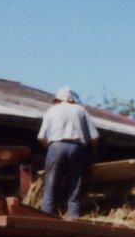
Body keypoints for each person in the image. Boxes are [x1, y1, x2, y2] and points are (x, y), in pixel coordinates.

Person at [37, 86, 100, 219]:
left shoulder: (51, 111)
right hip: (76, 148)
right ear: (72, 99)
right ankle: (73, 216)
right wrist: (93, 153)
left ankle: (47, 216)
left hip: (55, 146)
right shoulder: (81, 110)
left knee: (50, 183)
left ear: (58, 99)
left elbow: (41, 137)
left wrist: (52, 149)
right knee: (75, 183)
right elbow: (95, 137)